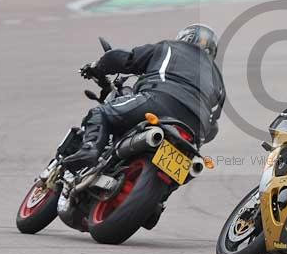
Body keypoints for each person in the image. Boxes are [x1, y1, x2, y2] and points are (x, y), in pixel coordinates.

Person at [64, 24, 226, 171]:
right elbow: (213, 126)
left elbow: (128, 59)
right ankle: (157, 200)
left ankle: (89, 150)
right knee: (181, 173)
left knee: (101, 113)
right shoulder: (218, 81)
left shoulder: (170, 47)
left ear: (185, 38)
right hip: (194, 131)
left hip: (160, 101)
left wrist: (97, 68)